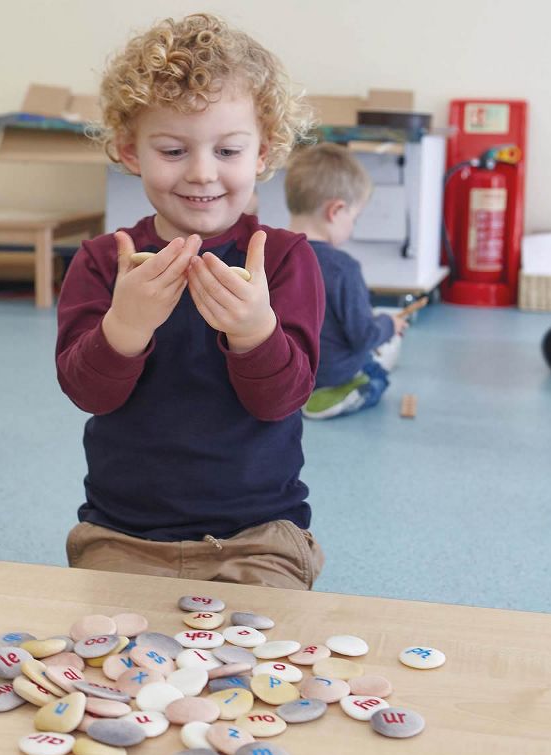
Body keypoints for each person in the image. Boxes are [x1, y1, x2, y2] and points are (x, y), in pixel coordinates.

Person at [55, 13, 326, 590]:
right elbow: (87, 392)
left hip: (259, 537)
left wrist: (255, 331)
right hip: (122, 534)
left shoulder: (283, 259)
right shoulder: (104, 261)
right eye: (173, 150)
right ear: (130, 151)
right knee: (106, 671)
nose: (203, 173)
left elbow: (284, 400)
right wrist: (124, 327)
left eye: (228, 151)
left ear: (264, 152)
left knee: (265, 668)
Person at [284, 143, 409, 419]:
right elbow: (363, 335)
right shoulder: (343, 268)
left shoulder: (274, 253)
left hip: (285, 373)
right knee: (377, 373)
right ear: (336, 210)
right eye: (354, 217)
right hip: (330, 373)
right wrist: (390, 324)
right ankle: (330, 398)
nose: (353, 226)